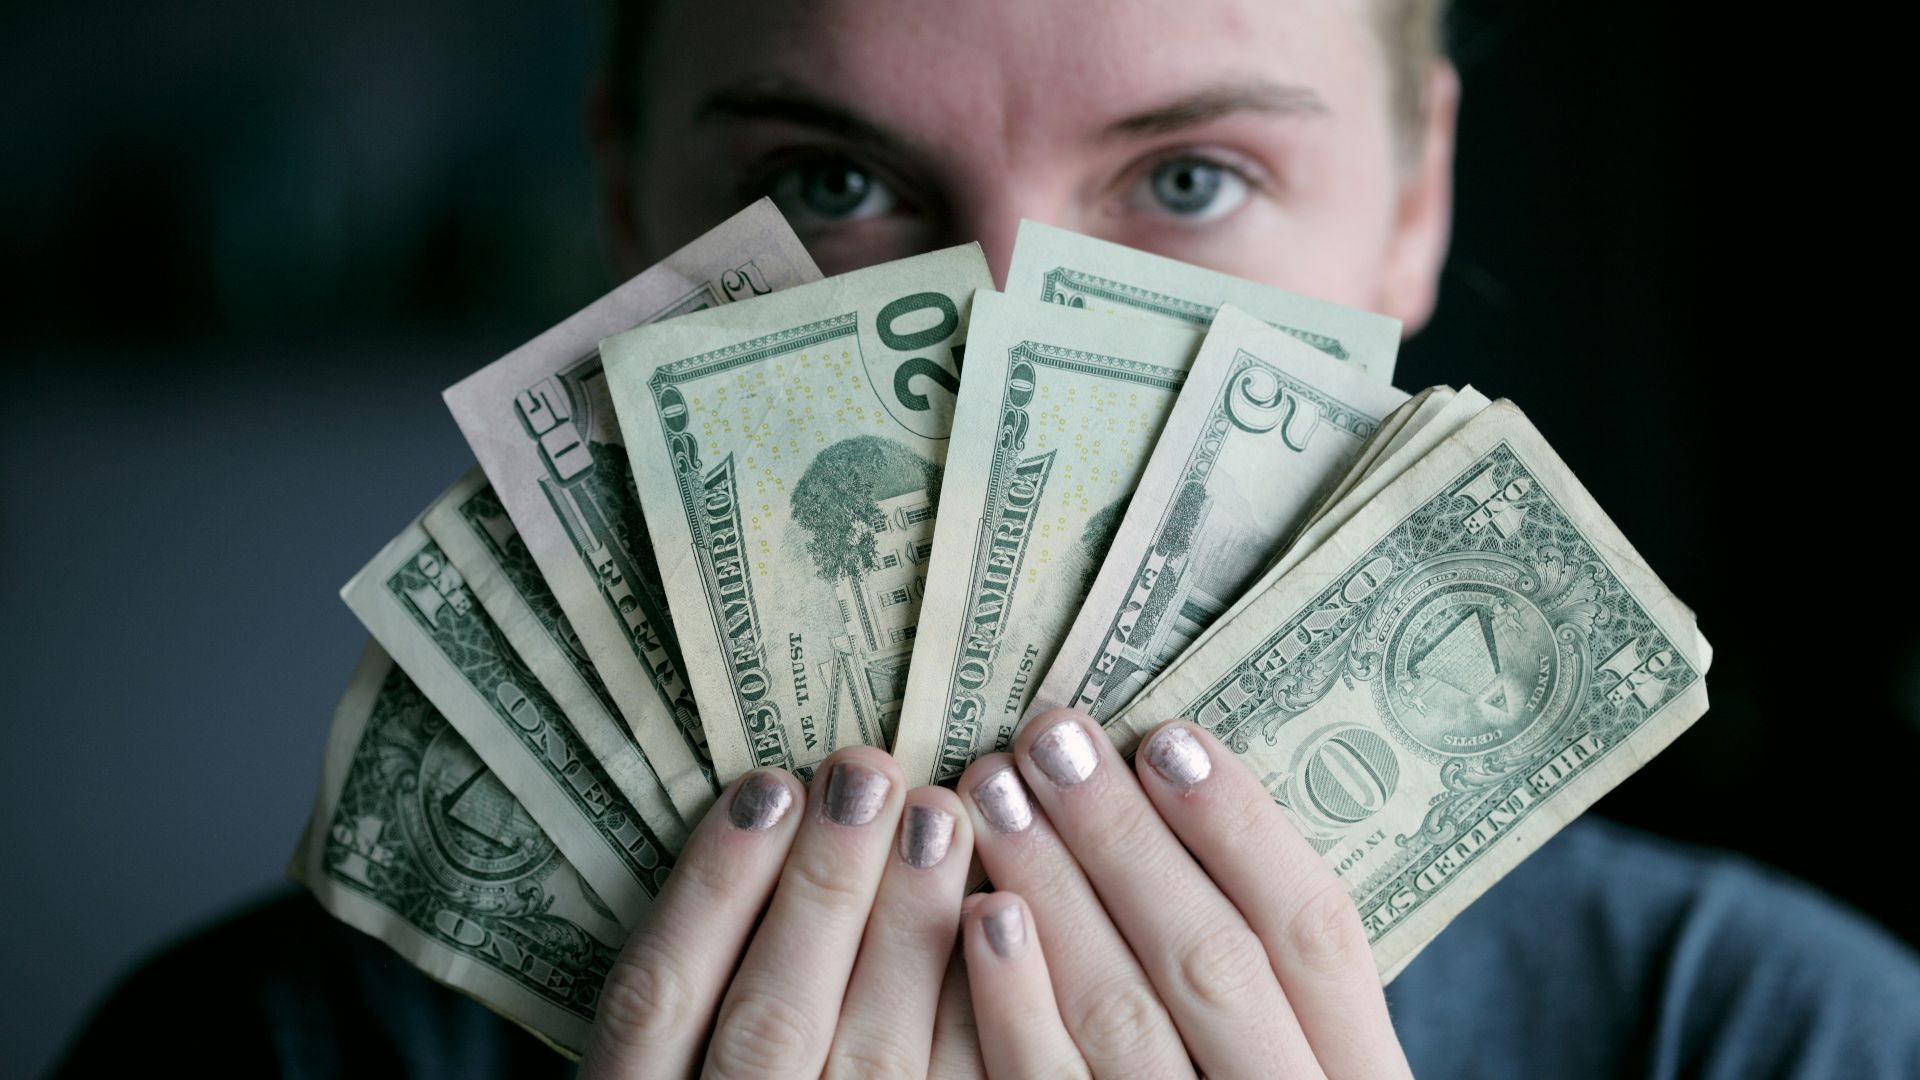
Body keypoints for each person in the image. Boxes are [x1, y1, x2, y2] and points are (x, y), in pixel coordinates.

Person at [57, 0, 1920, 1076]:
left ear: (1415, 204)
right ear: (628, 201)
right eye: (826, 182)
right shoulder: (250, 1059)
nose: (1001, 334)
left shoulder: (1784, 1038)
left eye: (1190, 182)